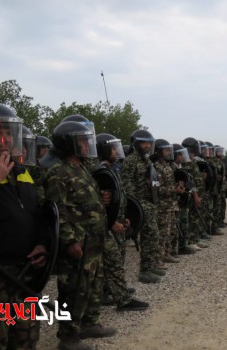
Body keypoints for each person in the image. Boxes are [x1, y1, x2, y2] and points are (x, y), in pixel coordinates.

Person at [0, 102, 48, 349]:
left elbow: (35, 212)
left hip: (24, 275)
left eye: (8, 133)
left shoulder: (20, 171)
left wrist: (42, 243)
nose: (4, 140)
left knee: (26, 339)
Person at [43, 121, 116, 350]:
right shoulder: (58, 172)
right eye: (83, 140)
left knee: (93, 284)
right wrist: (70, 240)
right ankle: (68, 336)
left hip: (93, 240)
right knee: (73, 289)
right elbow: (58, 210)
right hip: (78, 241)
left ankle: (90, 323)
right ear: (69, 143)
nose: (87, 144)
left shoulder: (82, 167)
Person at [95, 133, 149, 311]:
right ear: (104, 150)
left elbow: (118, 198)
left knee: (114, 260)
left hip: (115, 222)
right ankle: (123, 299)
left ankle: (109, 291)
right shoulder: (101, 171)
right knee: (114, 262)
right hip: (106, 226)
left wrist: (122, 217)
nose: (117, 151)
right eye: (113, 148)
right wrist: (111, 222)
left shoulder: (112, 168)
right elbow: (101, 204)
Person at [120, 129, 164, 283]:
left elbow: (155, 181)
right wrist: (136, 206)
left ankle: (150, 266)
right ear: (136, 144)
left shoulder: (147, 160)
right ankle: (144, 271)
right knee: (150, 235)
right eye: (144, 143)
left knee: (152, 236)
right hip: (139, 205)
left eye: (149, 143)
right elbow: (127, 186)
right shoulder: (130, 161)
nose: (147, 146)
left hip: (149, 203)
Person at [152, 139, 184, 264]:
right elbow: (156, 188)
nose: (169, 152)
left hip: (171, 205)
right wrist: (174, 189)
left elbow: (168, 183)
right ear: (159, 151)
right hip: (162, 206)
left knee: (170, 232)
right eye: (166, 150)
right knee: (162, 234)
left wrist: (178, 185)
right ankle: (158, 259)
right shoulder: (156, 167)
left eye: (169, 150)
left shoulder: (167, 165)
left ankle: (166, 254)